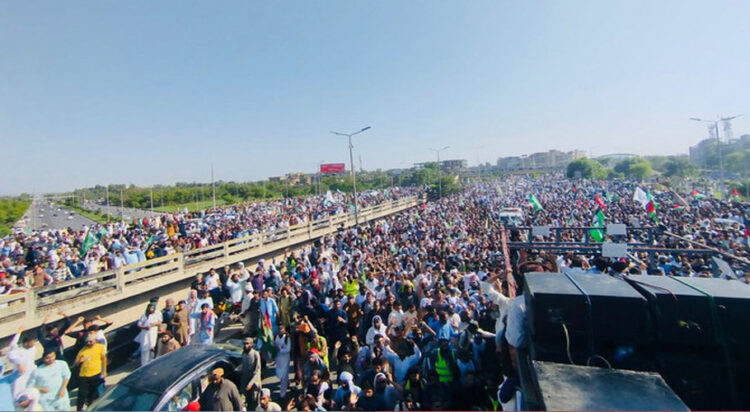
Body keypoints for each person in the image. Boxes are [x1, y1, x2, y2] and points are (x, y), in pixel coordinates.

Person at [73, 335, 107, 411]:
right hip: (84, 375)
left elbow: (104, 359)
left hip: (95, 374)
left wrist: (104, 371)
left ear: (95, 341)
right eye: (87, 342)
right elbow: (75, 364)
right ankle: (79, 409)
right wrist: (80, 361)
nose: (88, 343)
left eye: (90, 341)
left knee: (94, 392)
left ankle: (91, 406)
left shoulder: (100, 347)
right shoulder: (83, 350)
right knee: (82, 393)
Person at [6, 326, 38, 399]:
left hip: (31, 374)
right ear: (26, 343)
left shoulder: (33, 349)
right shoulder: (18, 351)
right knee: (18, 394)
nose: (33, 343)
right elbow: (12, 344)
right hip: (20, 376)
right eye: (32, 342)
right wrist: (19, 333)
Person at [241, 337, 262, 411]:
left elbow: (257, 371)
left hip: (254, 382)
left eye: (247, 344)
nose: (245, 346)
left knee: (255, 402)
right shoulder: (243, 354)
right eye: (244, 344)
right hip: (245, 381)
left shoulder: (255, 354)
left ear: (251, 344)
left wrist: (250, 383)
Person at [274, 324, 292, 398]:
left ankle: (282, 394)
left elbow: (288, 349)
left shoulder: (287, 338)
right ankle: (286, 383)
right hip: (278, 360)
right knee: (279, 374)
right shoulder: (277, 337)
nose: (280, 330)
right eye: (279, 329)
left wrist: (280, 350)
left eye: (282, 329)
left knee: (283, 377)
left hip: (285, 359)